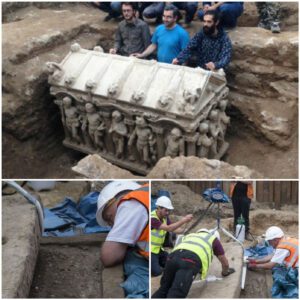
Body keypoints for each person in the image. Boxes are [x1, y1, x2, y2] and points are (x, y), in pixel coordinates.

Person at [152, 229, 235, 298]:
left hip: (172, 258)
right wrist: (225, 272)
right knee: (177, 293)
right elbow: (225, 263)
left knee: (164, 289)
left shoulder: (190, 236)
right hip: (189, 261)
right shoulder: (213, 239)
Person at [96, 181, 149, 267]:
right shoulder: (145, 193)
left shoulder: (130, 204)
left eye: (109, 217)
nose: (112, 224)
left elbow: (108, 257)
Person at [248, 226, 298, 297]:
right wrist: (255, 261)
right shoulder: (285, 240)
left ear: (275, 239)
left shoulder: (283, 247)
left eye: (269, 241)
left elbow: (270, 265)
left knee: (282, 275)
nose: (269, 244)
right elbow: (271, 256)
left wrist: (255, 266)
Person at [151, 196, 193, 276]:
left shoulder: (165, 218)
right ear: (159, 208)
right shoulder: (152, 219)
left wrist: (185, 230)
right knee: (157, 272)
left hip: (159, 250)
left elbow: (174, 229)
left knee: (172, 262)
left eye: (168, 211)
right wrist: (183, 220)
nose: (167, 213)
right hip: (150, 251)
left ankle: (158, 263)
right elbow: (169, 228)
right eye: (166, 210)